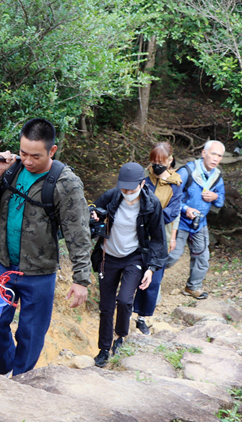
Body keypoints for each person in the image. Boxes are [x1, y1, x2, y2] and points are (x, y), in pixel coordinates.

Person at [0, 118, 93, 377]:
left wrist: (81, 279)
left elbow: (78, 233)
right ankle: (5, 369)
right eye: (23, 152)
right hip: (3, 265)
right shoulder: (10, 167)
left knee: (31, 333)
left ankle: (20, 381)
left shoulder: (65, 183)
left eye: (35, 156)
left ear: (52, 150)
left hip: (39, 272)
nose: (27, 160)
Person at [90, 162, 167, 367]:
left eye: (131, 189)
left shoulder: (152, 204)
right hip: (108, 256)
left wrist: (151, 268)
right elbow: (91, 218)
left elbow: (158, 239)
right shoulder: (111, 196)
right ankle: (104, 348)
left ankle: (120, 337)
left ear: (142, 184)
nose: (126, 192)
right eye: (123, 188)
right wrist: (95, 219)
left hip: (134, 256)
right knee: (106, 306)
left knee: (124, 300)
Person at [133, 142, 183, 335]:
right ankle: (127, 308)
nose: (157, 166)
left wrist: (151, 213)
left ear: (170, 161)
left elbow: (172, 213)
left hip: (160, 236)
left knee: (153, 279)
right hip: (138, 235)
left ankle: (143, 317)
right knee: (134, 272)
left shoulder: (175, 185)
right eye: (153, 162)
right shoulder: (144, 180)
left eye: (161, 162)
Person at [166, 140, 226, 300]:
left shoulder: (217, 176)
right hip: (180, 222)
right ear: (204, 153)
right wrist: (186, 209)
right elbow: (170, 197)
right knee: (172, 255)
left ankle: (193, 287)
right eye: (213, 153)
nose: (216, 158)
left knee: (202, 256)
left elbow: (220, 202)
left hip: (200, 223)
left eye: (219, 156)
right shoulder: (187, 171)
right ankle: (147, 277)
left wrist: (215, 196)